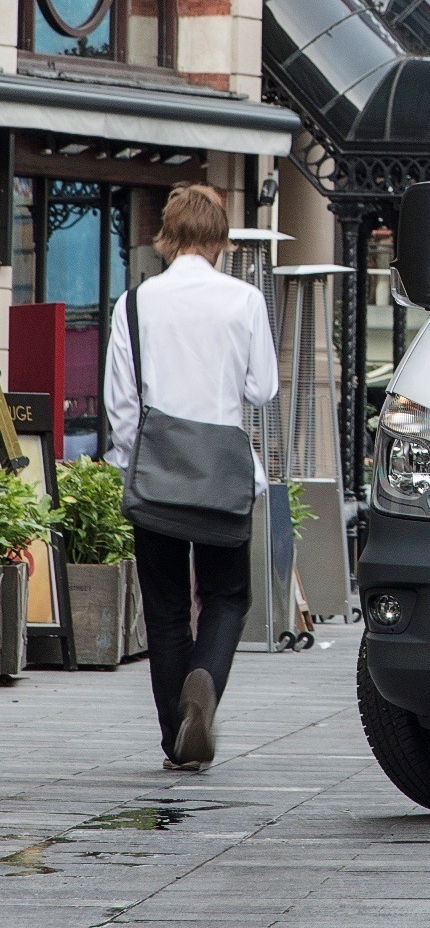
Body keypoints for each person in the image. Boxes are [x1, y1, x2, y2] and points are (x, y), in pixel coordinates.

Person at [103, 185, 278, 770]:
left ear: (166, 238)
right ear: (221, 241)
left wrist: (139, 461)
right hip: (224, 474)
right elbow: (263, 390)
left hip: (157, 472)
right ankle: (204, 680)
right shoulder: (245, 301)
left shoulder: (134, 304)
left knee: (166, 606)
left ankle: (175, 737)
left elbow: (121, 406)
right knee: (228, 596)